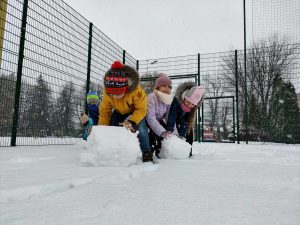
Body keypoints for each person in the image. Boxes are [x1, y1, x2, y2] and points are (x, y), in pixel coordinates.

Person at [98, 61, 153, 162]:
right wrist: (101, 131)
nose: (115, 97)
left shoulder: (136, 91)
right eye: (112, 95)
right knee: (113, 128)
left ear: (125, 88)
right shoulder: (107, 93)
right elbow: (104, 112)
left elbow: (141, 109)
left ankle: (146, 152)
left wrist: (132, 121)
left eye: (118, 94)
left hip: (135, 112)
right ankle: (112, 151)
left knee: (142, 130)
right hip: (119, 112)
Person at [166, 82, 205, 156]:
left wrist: (182, 135)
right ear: (184, 96)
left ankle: (187, 151)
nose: (189, 105)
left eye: (192, 104)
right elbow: (172, 115)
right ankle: (169, 151)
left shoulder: (192, 109)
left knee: (189, 132)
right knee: (172, 133)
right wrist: (169, 129)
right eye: (188, 102)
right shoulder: (176, 101)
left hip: (183, 121)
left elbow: (186, 122)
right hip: (174, 120)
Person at [146, 73, 173, 157]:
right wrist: (162, 132)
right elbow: (150, 117)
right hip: (148, 119)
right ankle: (149, 151)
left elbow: (169, 117)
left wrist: (172, 130)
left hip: (159, 119)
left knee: (167, 131)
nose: (167, 88)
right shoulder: (152, 97)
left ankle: (160, 152)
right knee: (152, 133)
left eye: (169, 87)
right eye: (164, 86)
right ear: (158, 87)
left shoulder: (168, 99)